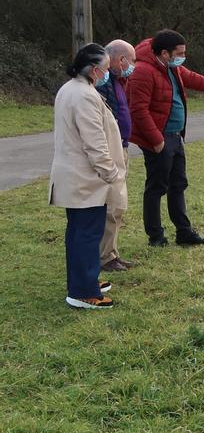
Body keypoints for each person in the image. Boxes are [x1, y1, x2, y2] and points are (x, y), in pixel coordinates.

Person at [127, 29, 204, 247]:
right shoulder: (143, 71)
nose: (182, 57)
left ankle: (184, 232)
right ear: (164, 53)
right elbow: (138, 110)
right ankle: (156, 237)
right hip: (159, 140)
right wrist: (157, 140)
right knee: (157, 187)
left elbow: (193, 78)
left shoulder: (172, 68)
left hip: (176, 137)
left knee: (178, 184)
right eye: (179, 53)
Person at [49, 43, 127, 309]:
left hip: (78, 177)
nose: (108, 72)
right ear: (94, 70)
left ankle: (85, 279)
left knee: (79, 232)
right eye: (106, 68)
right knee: (87, 234)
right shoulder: (83, 95)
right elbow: (94, 143)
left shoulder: (72, 89)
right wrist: (112, 174)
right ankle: (83, 292)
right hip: (86, 178)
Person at [96, 40, 136, 271]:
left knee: (117, 206)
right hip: (111, 150)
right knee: (113, 205)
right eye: (132, 60)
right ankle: (105, 257)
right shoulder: (103, 83)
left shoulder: (117, 80)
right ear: (121, 60)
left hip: (121, 146)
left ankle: (111, 253)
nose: (134, 65)